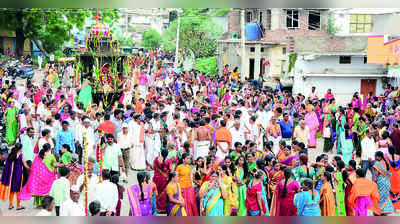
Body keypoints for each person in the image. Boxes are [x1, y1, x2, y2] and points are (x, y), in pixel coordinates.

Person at [18, 143, 57, 208]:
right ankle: (47, 203)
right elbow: (54, 164)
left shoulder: (38, 156)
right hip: (48, 175)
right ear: (49, 149)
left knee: (38, 189)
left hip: (39, 176)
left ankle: (38, 204)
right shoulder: (51, 156)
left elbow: (34, 166)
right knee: (48, 190)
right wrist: (56, 169)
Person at [0, 143, 31, 210]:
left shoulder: (11, 154)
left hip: (11, 174)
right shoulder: (21, 155)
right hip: (19, 174)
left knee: (12, 190)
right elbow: (25, 165)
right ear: (20, 149)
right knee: (18, 190)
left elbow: (7, 165)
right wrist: (30, 169)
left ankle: (10, 205)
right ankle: (18, 205)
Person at [373, 151, 394, 215]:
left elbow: (376, 175)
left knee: (379, 196)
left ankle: (378, 210)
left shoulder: (377, 164)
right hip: (387, 182)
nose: (375, 157)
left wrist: (373, 182)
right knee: (385, 196)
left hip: (380, 182)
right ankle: (384, 210)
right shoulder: (385, 162)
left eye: (376, 156)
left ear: (379, 157)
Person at [152, 149, 172, 213]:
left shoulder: (156, 159)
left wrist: (159, 171)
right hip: (164, 179)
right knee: (163, 194)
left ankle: (156, 207)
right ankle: (162, 208)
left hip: (156, 179)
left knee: (156, 191)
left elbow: (153, 167)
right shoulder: (168, 161)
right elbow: (171, 169)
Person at [384, 145, 400, 210]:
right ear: (395, 150)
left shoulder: (386, 157)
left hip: (390, 177)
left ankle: (391, 206)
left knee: (390, 192)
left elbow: (385, 167)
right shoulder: (399, 157)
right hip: (398, 177)